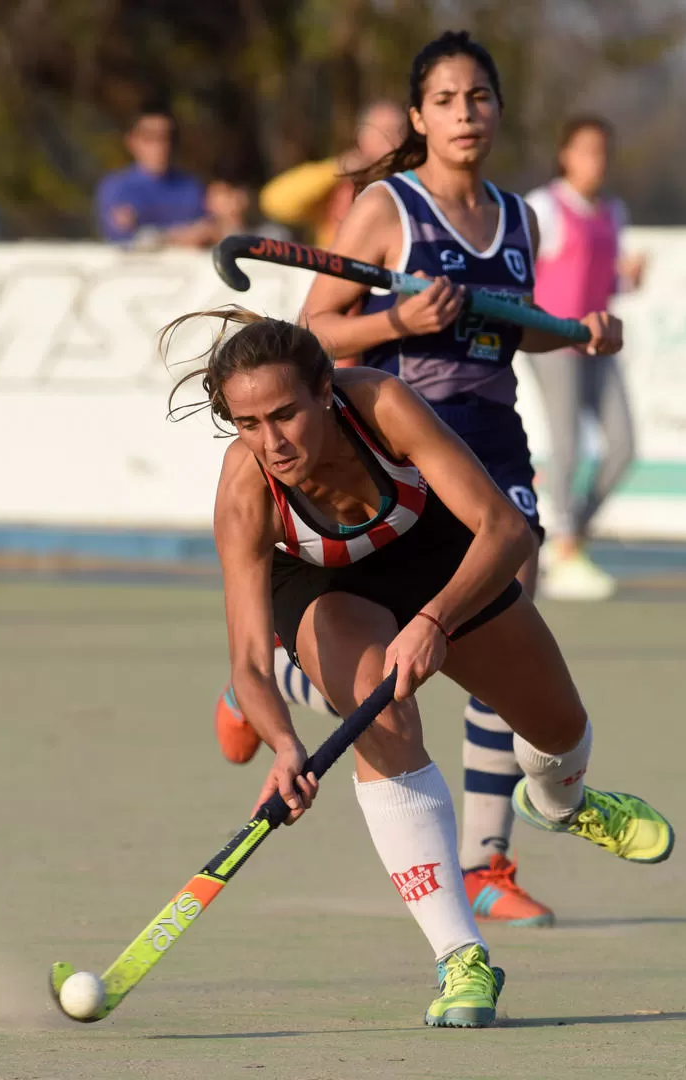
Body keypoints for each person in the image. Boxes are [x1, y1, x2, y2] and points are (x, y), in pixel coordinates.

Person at [173, 306, 674, 1028]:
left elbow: (502, 530)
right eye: (248, 424)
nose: (271, 442)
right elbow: (250, 660)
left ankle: (562, 806)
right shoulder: (247, 488)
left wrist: (434, 621)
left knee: (558, 729)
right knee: (384, 721)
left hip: (433, 556)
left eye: (284, 414)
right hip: (324, 590)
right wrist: (285, 748)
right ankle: (458, 955)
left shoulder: (380, 404)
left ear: (323, 389)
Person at [214, 31, 617, 928]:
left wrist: (577, 330)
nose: (464, 115)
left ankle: (487, 860)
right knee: (405, 666)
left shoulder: (520, 218)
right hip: (402, 442)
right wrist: (400, 314)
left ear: (499, 110)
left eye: (478, 98)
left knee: (498, 630)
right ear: (417, 117)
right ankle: (284, 677)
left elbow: (519, 325)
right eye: (445, 100)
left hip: (495, 442)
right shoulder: (386, 208)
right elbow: (313, 335)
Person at [524, 115, 646, 601]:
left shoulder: (614, 212)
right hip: (554, 340)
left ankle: (567, 540)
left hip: (599, 341)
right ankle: (566, 547)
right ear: (565, 155)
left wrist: (631, 278)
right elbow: (521, 270)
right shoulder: (543, 206)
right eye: (586, 150)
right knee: (567, 445)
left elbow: (609, 281)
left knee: (623, 446)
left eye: (603, 151)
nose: (596, 161)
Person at [258, 100, 406, 247]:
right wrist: (336, 170)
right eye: (385, 132)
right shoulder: (338, 184)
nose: (393, 140)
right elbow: (273, 202)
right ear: (362, 137)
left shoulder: (413, 183)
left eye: (399, 132)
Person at [95, 101, 216, 248]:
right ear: (131, 141)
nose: (160, 145)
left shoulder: (191, 186)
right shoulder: (116, 188)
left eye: (167, 137)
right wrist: (177, 236)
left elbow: (211, 231)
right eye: (150, 137)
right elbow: (122, 237)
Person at [204, 176, 293, 242]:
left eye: (231, 194)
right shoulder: (202, 237)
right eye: (224, 195)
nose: (234, 201)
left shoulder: (273, 234)